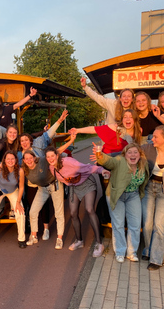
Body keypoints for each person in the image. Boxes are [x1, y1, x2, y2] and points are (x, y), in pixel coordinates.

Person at [46, 146, 109, 257]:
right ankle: (79, 240)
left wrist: (101, 170)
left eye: (52, 156)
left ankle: (99, 243)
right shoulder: (52, 169)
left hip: (87, 183)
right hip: (74, 187)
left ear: (57, 155)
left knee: (89, 209)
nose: (50, 159)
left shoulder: (69, 162)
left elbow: (88, 167)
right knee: (73, 213)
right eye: (48, 157)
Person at [19, 110, 69, 238]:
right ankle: (34, 231)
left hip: (46, 180)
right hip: (32, 183)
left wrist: (59, 120)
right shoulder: (20, 155)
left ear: (30, 141)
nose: (24, 142)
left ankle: (46, 228)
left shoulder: (39, 143)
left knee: (46, 205)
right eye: (22, 141)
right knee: (33, 206)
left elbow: (48, 134)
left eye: (26, 140)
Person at [95, 143, 149, 263]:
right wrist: (99, 154)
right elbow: (108, 161)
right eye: (129, 152)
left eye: (135, 152)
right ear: (125, 155)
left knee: (135, 224)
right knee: (118, 224)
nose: (133, 155)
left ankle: (132, 252)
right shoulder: (119, 160)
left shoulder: (143, 165)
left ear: (140, 155)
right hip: (117, 195)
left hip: (133, 195)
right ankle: (120, 251)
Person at [23, 132, 77, 250]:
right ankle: (34, 236)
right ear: (24, 160)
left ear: (34, 158)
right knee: (33, 211)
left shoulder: (42, 160)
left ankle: (59, 238)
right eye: (26, 159)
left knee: (59, 213)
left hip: (55, 185)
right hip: (42, 189)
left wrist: (70, 141)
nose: (28, 160)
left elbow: (56, 152)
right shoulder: (24, 170)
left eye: (30, 158)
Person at [140, 124, 164, 270]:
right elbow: (129, 152)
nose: (152, 139)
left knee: (160, 225)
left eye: (156, 137)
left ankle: (157, 259)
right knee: (147, 223)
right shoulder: (148, 148)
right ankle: (149, 249)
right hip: (149, 187)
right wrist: (103, 157)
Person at [74, 109, 142, 155]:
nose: (128, 119)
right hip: (108, 161)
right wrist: (78, 130)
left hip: (125, 163)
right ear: (122, 120)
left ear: (135, 119)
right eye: (125, 117)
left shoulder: (138, 131)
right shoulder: (115, 128)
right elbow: (95, 129)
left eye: (131, 117)